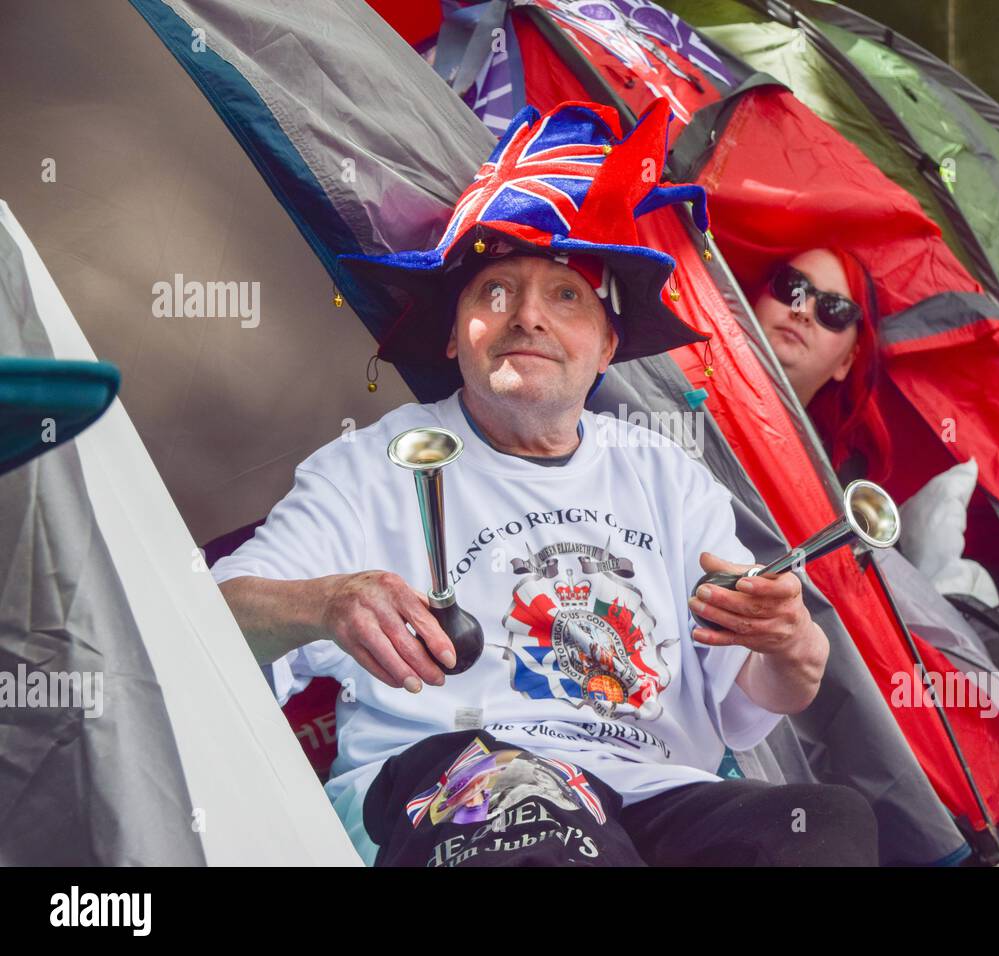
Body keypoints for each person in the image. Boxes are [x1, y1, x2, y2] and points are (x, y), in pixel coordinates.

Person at [210, 98, 878, 866]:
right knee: (546, 818)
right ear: (455, 332)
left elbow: (758, 692)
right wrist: (325, 603)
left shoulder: (665, 475)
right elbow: (210, 620)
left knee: (827, 826)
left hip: (648, 792)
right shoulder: (364, 469)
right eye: (495, 291)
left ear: (606, 348)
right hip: (459, 784)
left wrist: (792, 643)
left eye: (566, 295)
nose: (527, 316)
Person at [750, 247, 893, 483]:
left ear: (846, 362)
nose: (802, 310)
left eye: (834, 309)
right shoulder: (673, 346)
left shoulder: (832, 493)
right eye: (793, 286)